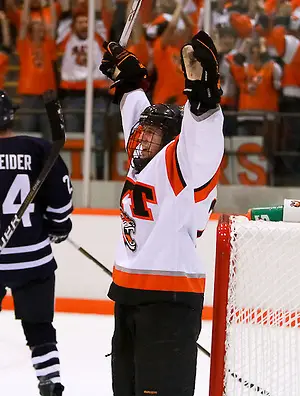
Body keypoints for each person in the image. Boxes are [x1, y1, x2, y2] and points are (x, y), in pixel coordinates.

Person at [99, 30, 224, 396]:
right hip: (128, 295)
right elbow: (138, 119)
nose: (140, 139)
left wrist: (202, 94)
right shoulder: (145, 158)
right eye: (142, 134)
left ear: (172, 138)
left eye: (152, 135)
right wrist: (130, 83)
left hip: (168, 300)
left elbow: (201, 137)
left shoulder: (184, 163)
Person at [0, 91, 73, 396]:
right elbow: (60, 201)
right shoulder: (39, 149)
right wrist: (58, 227)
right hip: (34, 259)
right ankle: (50, 381)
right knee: (39, 327)